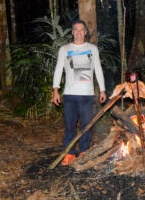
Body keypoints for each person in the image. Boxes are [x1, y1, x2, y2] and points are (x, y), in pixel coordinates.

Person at [52, 20, 106, 166]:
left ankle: (84, 152)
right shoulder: (64, 49)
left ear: (85, 32)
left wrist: (102, 89)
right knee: (69, 125)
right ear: (72, 32)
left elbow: (98, 69)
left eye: (81, 30)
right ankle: (69, 153)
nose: (79, 32)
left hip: (87, 95)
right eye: (76, 29)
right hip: (69, 94)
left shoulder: (92, 49)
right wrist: (55, 90)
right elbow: (58, 70)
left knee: (86, 125)